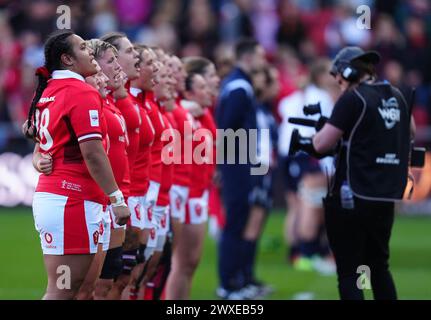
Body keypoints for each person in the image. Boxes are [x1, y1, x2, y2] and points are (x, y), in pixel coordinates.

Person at [291, 46, 413, 300]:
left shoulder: (353, 98)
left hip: (351, 196)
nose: (338, 83)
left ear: (347, 71)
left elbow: (321, 144)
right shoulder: (397, 96)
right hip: (385, 197)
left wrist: (307, 141)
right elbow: (409, 131)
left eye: (338, 78)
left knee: (349, 272)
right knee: (378, 267)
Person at [26, 30, 130, 300]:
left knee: (74, 290)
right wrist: (116, 197)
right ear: (67, 59)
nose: (89, 53)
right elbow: (93, 153)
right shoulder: (80, 92)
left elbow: (42, 143)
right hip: (71, 198)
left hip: (61, 197)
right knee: (63, 291)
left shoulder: (51, 89)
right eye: (83, 48)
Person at [215, 38, 267, 299]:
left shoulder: (237, 84)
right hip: (237, 164)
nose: (262, 61)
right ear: (247, 57)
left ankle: (236, 281)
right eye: (259, 55)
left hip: (237, 162)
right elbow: (226, 127)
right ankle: (228, 284)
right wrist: (232, 163)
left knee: (238, 222)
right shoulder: (240, 87)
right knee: (235, 223)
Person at [278, 58, 337, 274]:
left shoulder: (300, 97)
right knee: (309, 205)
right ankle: (305, 252)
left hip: (292, 153)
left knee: (298, 204)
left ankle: (299, 251)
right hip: (307, 153)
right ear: (320, 76)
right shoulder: (319, 97)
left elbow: (283, 109)